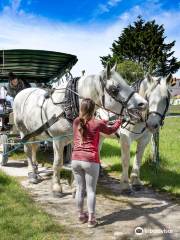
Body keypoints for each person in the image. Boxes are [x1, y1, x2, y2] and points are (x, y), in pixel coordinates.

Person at [71, 98, 122, 228]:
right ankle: (92, 219)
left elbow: (90, 125)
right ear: (94, 110)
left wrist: (104, 121)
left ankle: (81, 215)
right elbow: (110, 130)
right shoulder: (97, 123)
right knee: (91, 190)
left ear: (81, 109)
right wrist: (119, 122)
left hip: (76, 159)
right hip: (90, 160)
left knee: (80, 189)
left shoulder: (76, 121)